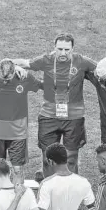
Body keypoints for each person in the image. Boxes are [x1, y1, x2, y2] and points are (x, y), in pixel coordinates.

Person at [10, 34, 97, 177]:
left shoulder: (81, 61)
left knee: (71, 157)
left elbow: (104, 68)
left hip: (74, 117)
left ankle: (71, 189)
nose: (63, 53)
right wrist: (11, 65)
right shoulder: (46, 60)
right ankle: (48, 186)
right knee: (47, 158)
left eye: (67, 50)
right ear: (54, 48)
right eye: (60, 49)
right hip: (49, 116)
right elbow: (25, 63)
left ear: (73, 49)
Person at [0, 59, 43, 176]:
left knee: (17, 168)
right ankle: (2, 192)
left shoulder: (24, 77)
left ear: (14, 71)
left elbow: (41, 85)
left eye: (8, 78)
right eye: (2, 77)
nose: (5, 80)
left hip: (18, 131)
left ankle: (18, 192)